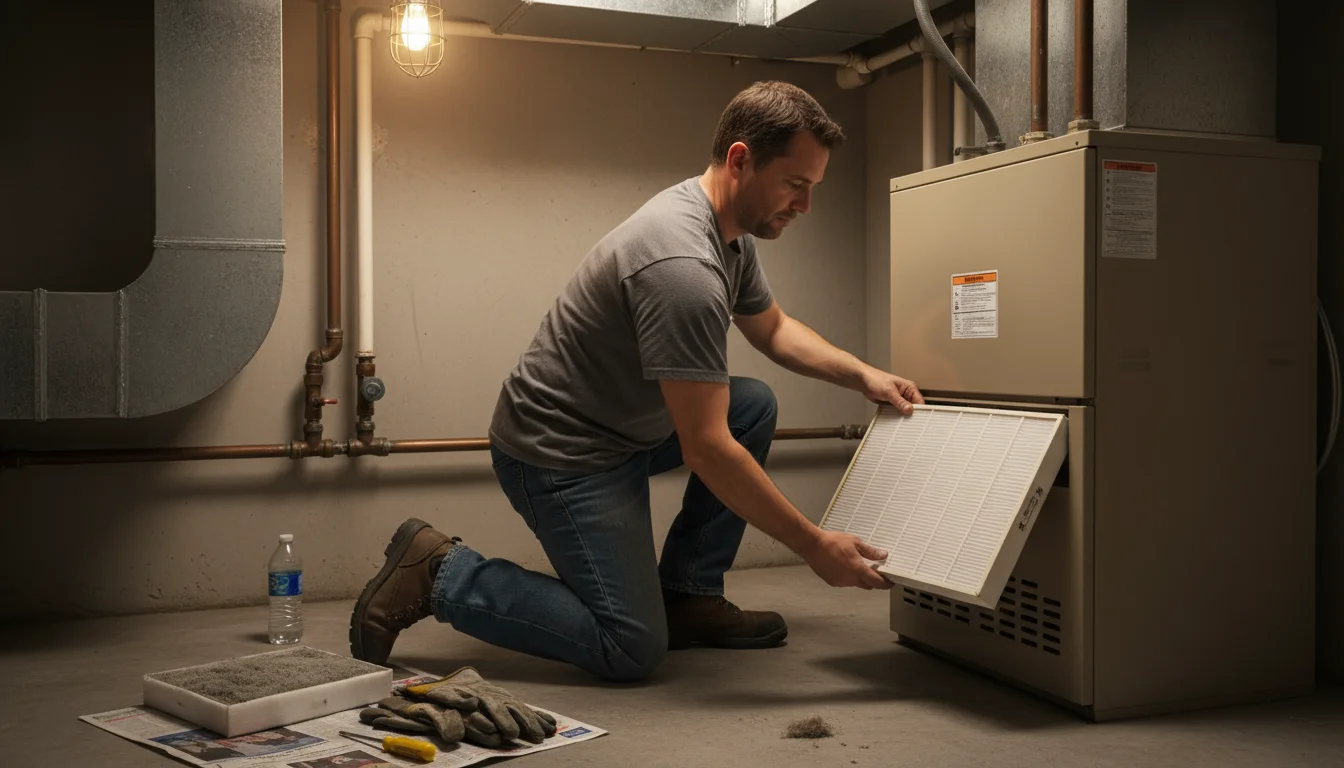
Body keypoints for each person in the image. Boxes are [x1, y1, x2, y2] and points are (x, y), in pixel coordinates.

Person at [349, 81, 923, 682]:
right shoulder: (683, 268)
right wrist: (812, 545)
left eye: (813, 188)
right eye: (795, 185)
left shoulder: (730, 232)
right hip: (562, 454)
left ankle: (688, 597)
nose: (804, 206)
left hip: (622, 430)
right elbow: (705, 447)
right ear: (739, 159)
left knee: (750, 405)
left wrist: (864, 375)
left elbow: (773, 329)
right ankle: (440, 572)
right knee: (629, 646)